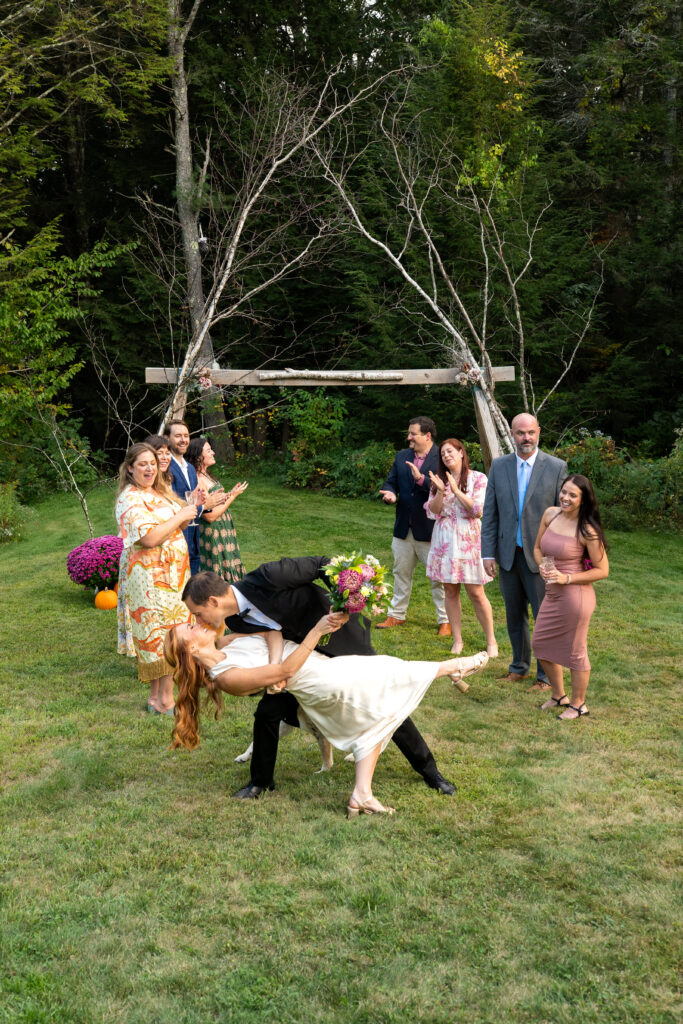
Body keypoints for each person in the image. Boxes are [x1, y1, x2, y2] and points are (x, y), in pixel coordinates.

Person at [182, 559, 459, 798]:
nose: (200, 620)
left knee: (381, 696)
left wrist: (342, 604)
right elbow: (271, 636)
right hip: (297, 664)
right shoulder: (235, 621)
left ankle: (430, 772)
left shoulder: (269, 576)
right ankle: (260, 783)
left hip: (338, 638)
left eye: (198, 613)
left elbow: (321, 563)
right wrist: (275, 671)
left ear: (213, 601)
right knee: (267, 713)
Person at [164, 616, 488, 816]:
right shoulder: (226, 676)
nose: (196, 621)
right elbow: (287, 670)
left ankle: (376, 790)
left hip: (318, 665)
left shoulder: (228, 641)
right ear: (190, 650)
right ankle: (452, 668)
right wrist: (312, 636)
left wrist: (276, 665)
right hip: (315, 679)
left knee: (380, 696)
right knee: (384, 680)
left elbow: (271, 633)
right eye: (188, 628)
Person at [481, 414, 567, 690]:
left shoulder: (556, 467)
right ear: (512, 433)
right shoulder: (499, 466)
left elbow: (563, 517)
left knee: (544, 618)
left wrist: (555, 560)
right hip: (507, 555)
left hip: (541, 558)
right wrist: (487, 553)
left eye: (530, 432)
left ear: (538, 432)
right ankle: (519, 667)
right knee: (514, 615)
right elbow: (490, 513)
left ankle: (545, 676)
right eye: (520, 433)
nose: (526, 438)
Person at [115, 442, 196, 714]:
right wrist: (180, 516)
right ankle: (165, 700)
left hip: (173, 578)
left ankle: (155, 698)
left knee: (170, 634)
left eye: (152, 463)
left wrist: (190, 507)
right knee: (164, 637)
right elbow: (149, 538)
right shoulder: (131, 498)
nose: (149, 468)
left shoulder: (158, 492)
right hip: (151, 579)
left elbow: (181, 522)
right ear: (129, 469)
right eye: (142, 464)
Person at [532, 474, 609, 719]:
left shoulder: (587, 530)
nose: (565, 498)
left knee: (576, 651)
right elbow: (537, 548)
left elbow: (603, 570)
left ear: (583, 499)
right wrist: (543, 566)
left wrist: (567, 578)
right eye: (564, 492)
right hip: (552, 593)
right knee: (540, 644)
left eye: (573, 495)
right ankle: (559, 695)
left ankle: (578, 704)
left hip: (576, 597)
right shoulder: (550, 514)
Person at [376, 417, 449, 635]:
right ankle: (396, 615)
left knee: (439, 578)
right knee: (400, 573)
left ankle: (445, 620)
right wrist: (389, 491)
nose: (409, 437)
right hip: (403, 528)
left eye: (413, 434)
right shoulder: (402, 456)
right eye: (409, 433)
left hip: (430, 530)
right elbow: (392, 481)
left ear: (427, 436)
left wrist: (421, 480)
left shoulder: (442, 457)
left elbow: (446, 488)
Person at [425, 438, 498, 657]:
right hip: (445, 541)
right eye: (443, 454)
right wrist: (440, 491)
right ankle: (457, 639)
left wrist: (455, 490)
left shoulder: (478, 478)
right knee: (450, 590)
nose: (446, 456)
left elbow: (477, 510)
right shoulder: (438, 481)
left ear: (461, 453)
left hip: (469, 540)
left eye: (450, 451)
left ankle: (491, 641)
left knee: (476, 592)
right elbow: (432, 512)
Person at [163, 420, 222, 575]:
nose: (183, 439)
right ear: (166, 438)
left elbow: (192, 499)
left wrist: (203, 500)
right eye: (178, 436)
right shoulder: (165, 468)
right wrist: (204, 505)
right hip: (176, 538)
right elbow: (171, 505)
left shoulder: (189, 468)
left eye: (186, 435)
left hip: (194, 538)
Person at [186, 436, 247, 583]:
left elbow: (214, 502)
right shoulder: (197, 478)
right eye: (208, 450)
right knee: (218, 567)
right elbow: (210, 516)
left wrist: (228, 494)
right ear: (198, 456)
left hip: (222, 529)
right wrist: (233, 497)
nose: (213, 452)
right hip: (212, 532)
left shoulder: (205, 474)